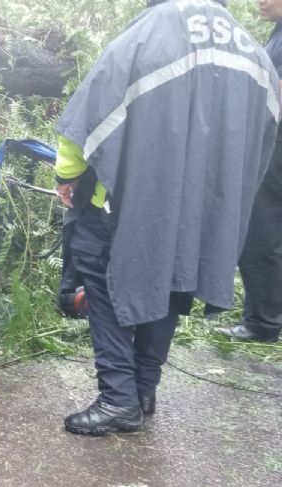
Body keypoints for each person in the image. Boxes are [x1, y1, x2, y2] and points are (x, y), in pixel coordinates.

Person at [54, 0, 280, 435]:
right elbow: (267, 131)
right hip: (204, 207)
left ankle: (119, 398)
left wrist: (68, 174)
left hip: (129, 199)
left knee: (101, 274)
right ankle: (142, 389)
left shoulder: (149, 32)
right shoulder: (250, 48)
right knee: (172, 282)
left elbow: (95, 109)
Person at [216, 0, 282, 342]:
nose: (262, 1)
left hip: (274, 150)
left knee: (261, 232)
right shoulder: (277, 33)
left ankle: (263, 322)